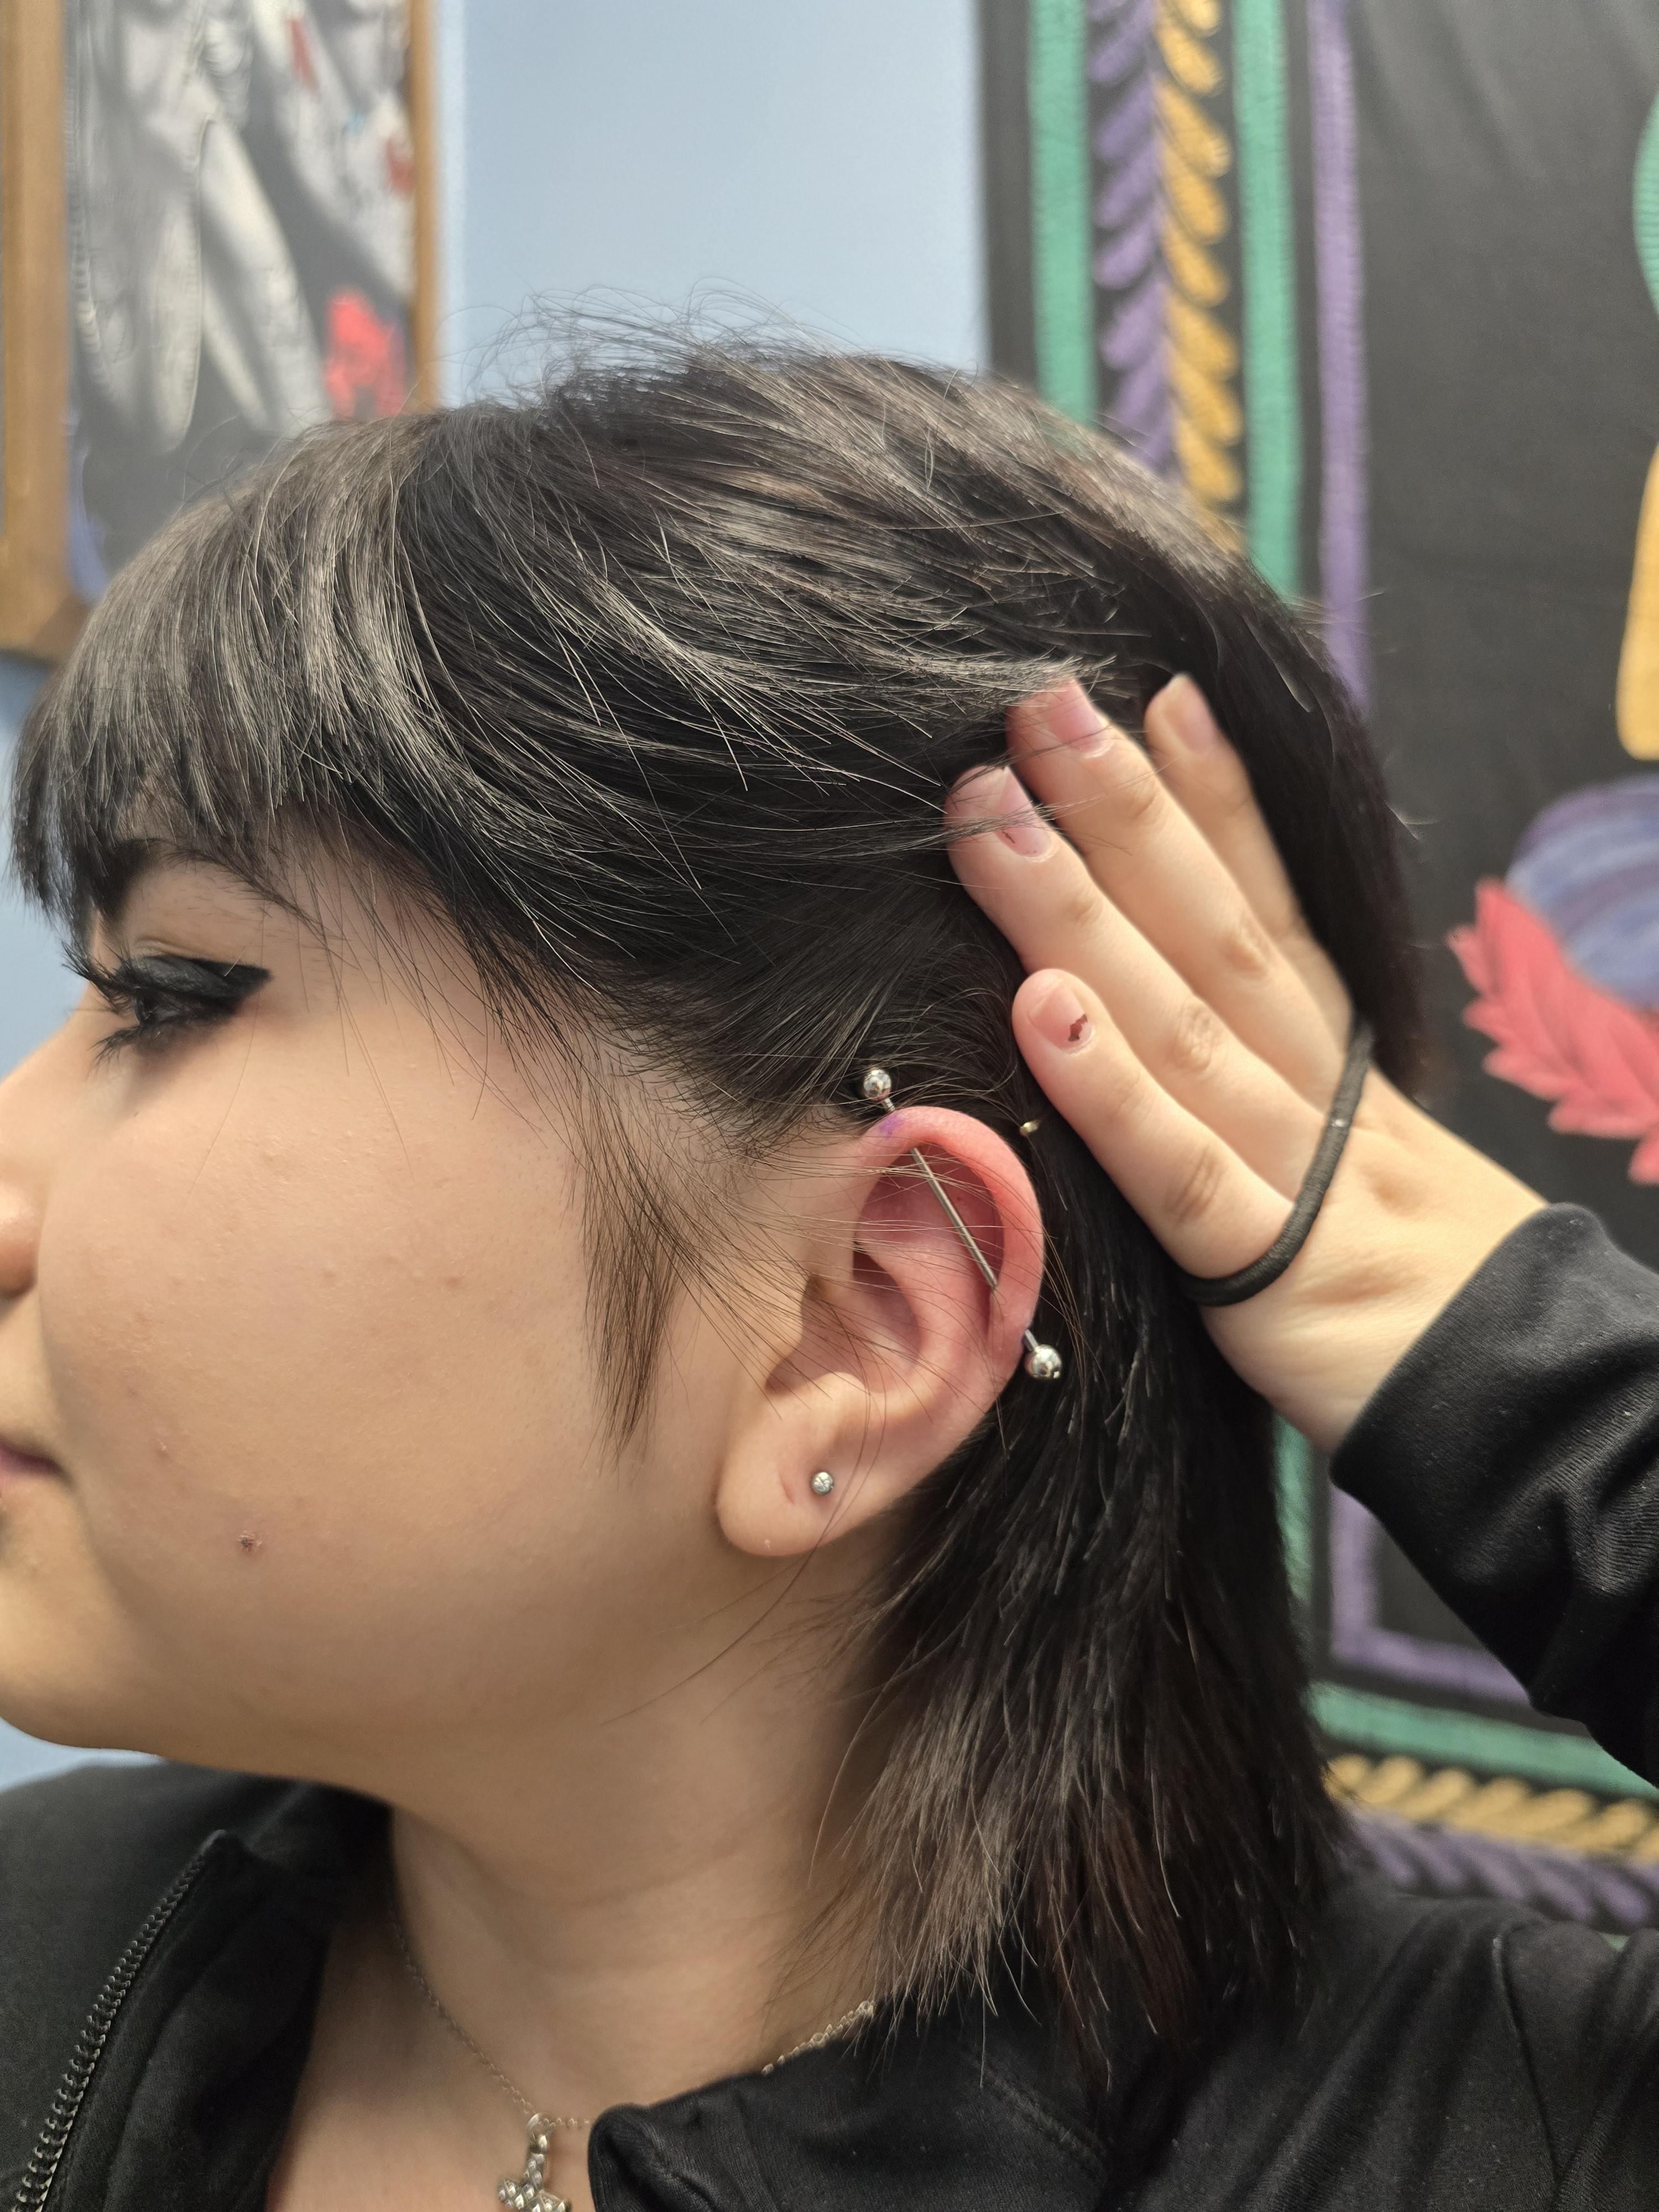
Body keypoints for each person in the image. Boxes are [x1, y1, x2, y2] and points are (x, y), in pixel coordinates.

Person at [0, 340, 1652, 2211]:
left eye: (167, 996)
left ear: (858, 1320)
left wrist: (1489, 1345)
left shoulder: (1514, 2147)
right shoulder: (50, 1963)